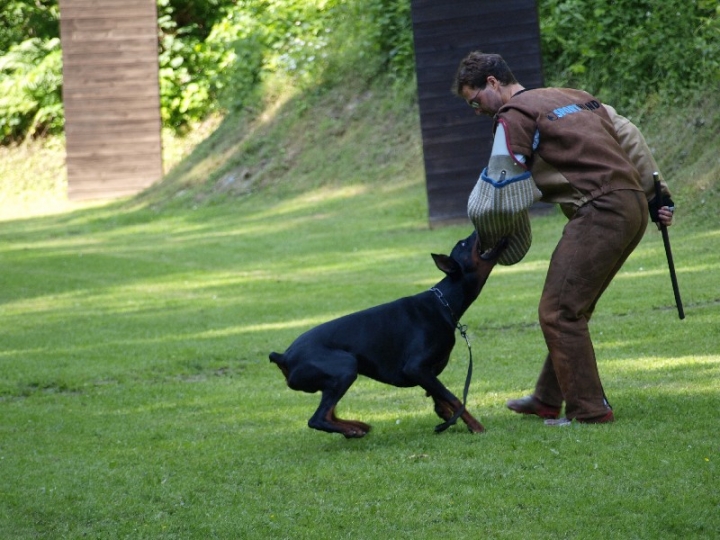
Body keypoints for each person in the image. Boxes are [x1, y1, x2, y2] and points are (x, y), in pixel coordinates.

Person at [452, 51, 675, 425]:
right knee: (572, 307)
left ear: (493, 83)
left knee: (558, 312)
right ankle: (545, 398)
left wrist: (492, 240)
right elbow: (630, 137)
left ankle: (589, 411)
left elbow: (502, 188)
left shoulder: (513, 116)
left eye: (475, 101)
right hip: (630, 206)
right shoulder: (573, 96)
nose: (476, 111)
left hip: (600, 210)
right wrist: (657, 198)